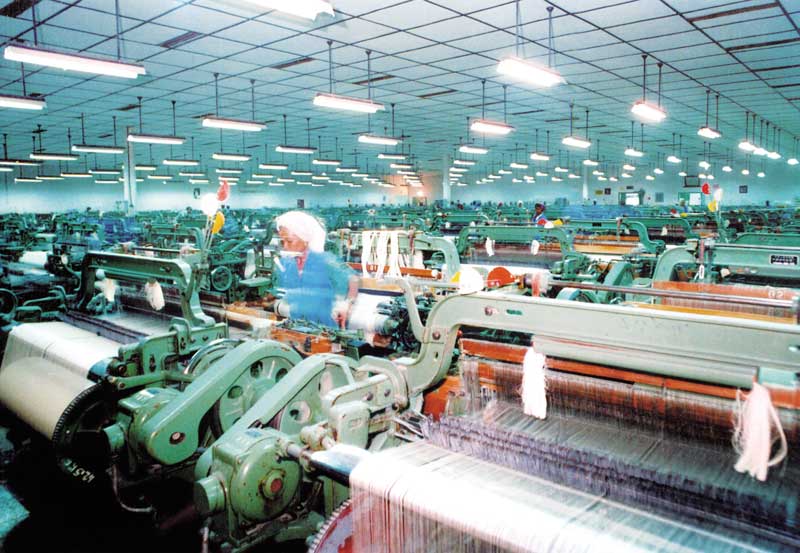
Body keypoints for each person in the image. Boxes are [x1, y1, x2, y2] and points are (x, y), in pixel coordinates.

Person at [274, 211, 358, 328]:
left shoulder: (325, 261)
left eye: (289, 241)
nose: (285, 246)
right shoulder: (289, 263)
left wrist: (346, 305)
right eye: (282, 241)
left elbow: (353, 279)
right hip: (297, 322)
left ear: (305, 239)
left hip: (323, 326)